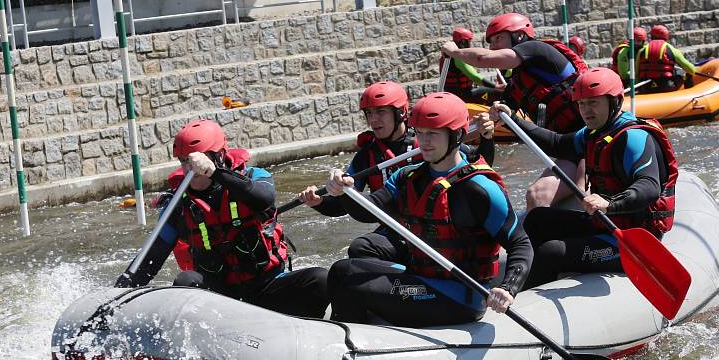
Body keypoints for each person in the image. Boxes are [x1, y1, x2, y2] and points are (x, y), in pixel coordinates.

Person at [323, 92, 533, 327]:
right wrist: (347, 192)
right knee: (341, 271)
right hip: (423, 278)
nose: (424, 141)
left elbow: (520, 243)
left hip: (460, 295)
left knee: (353, 286)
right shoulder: (408, 175)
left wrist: (508, 288)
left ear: (457, 135)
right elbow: (367, 211)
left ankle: (356, 345)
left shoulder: (480, 188)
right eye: (420, 133)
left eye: (433, 133)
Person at [115, 119, 329, 318]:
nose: (192, 169)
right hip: (220, 300)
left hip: (267, 285)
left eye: (197, 161)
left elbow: (264, 199)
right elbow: (149, 261)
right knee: (186, 281)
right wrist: (114, 299)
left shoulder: (254, 178)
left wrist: (215, 172)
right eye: (185, 162)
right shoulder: (178, 205)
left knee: (320, 279)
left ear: (219, 155)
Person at [490, 68, 678, 288]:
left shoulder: (634, 137)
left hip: (632, 240)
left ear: (615, 101)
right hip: (604, 224)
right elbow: (557, 144)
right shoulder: (593, 132)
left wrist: (610, 203)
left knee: (551, 252)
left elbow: (649, 187)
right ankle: (526, 278)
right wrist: (513, 120)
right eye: (581, 104)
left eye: (593, 103)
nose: (586, 111)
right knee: (537, 219)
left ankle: (526, 297)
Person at [298, 81, 496, 262]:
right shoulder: (366, 155)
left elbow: (478, 166)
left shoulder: (428, 143)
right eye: (369, 113)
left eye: (380, 112)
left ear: (401, 112)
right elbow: (348, 204)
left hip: (438, 224)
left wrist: (487, 138)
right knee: (360, 249)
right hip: (398, 227)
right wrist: (321, 201)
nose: (373, 119)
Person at [441, 12, 588, 211]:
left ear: (519, 36)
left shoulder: (537, 50)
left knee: (583, 191)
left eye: (498, 39)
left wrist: (455, 52)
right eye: (490, 42)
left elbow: (483, 58)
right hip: (569, 148)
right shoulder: (517, 84)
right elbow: (492, 120)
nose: (493, 46)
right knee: (536, 196)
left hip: (592, 139)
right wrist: (447, 138)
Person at [440, 27, 506, 103]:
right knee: (500, 92)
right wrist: (496, 86)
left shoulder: (447, 55)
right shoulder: (458, 58)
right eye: (468, 42)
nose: (469, 44)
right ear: (463, 42)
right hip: (463, 95)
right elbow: (475, 77)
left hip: (453, 94)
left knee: (486, 93)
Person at [636, 24, 697, 93]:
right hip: (666, 87)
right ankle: (689, 95)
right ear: (666, 36)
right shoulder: (671, 49)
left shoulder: (642, 50)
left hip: (646, 88)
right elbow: (692, 70)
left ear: (652, 36)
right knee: (686, 75)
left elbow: (636, 73)